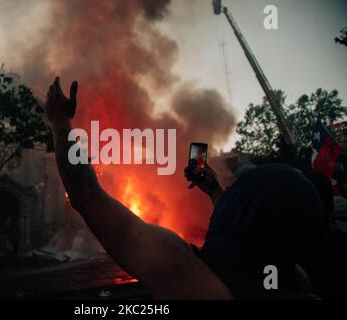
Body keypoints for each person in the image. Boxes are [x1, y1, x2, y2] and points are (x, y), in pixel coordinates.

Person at [46, 77, 324, 299]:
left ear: (238, 212)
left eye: (238, 194)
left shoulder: (188, 273)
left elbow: (87, 196)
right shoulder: (296, 280)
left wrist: (61, 123)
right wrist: (215, 192)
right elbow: (256, 235)